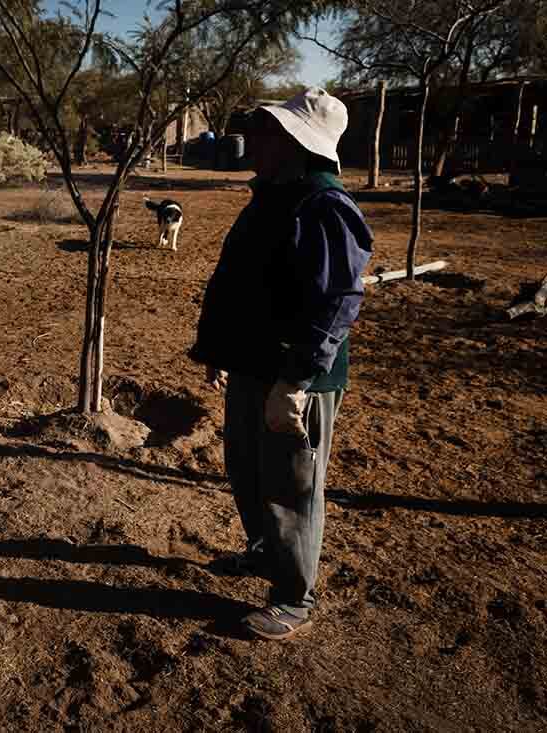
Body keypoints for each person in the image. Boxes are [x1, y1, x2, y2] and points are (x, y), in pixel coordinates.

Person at [190, 88, 374, 641]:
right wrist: (221, 353)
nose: (259, 140)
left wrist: (296, 380)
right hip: (251, 365)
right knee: (246, 468)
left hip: (295, 376)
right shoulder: (272, 195)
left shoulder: (324, 205)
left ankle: (294, 595)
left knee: (292, 484)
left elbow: (339, 299)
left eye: (272, 132)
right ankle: (264, 553)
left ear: (300, 143)